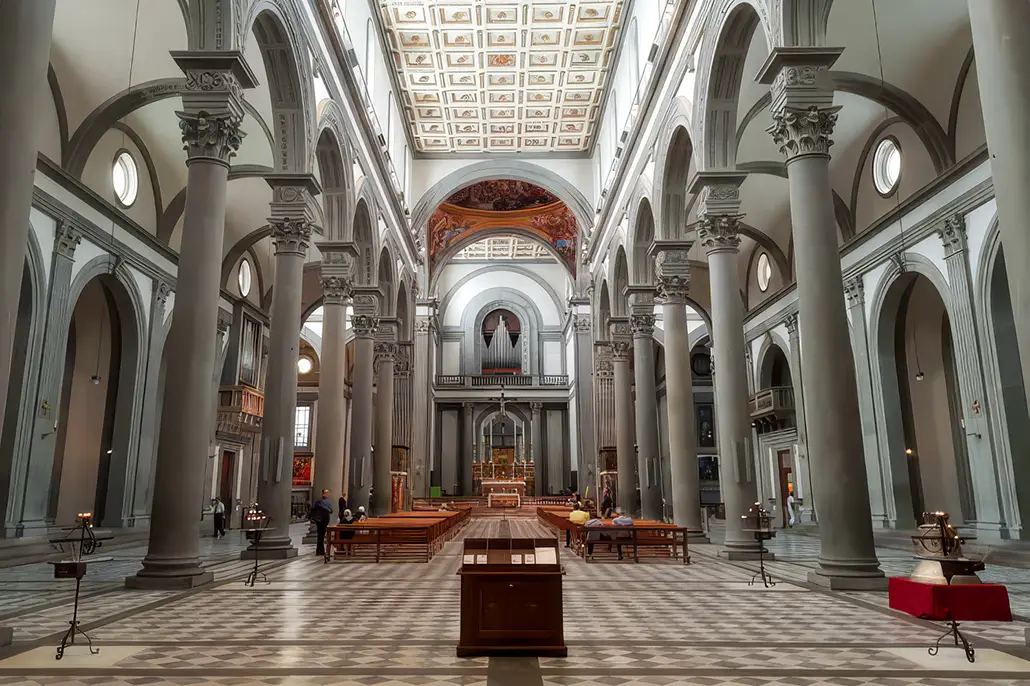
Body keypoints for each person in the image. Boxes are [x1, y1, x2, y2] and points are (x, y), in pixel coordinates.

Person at [308, 489, 333, 556]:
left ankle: (319, 550)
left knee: (320, 535)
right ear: (325, 493)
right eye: (327, 492)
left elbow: (312, 509)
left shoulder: (318, 501)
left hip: (318, 520)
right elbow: (331, 510)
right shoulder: (327, 502)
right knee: (321, 535)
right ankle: (320, 550)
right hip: (324, 520)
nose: (327, 494)